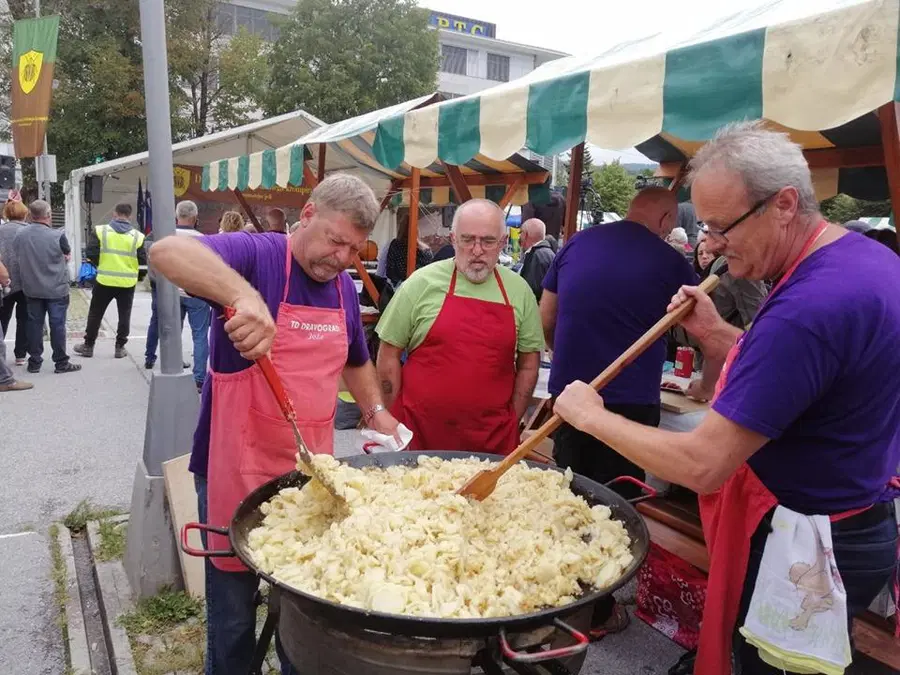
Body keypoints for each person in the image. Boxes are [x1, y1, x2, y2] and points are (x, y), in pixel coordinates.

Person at [553, 122, 900, 675]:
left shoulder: (809, 307)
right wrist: (716, 335)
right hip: (853, 523)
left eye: (720, 226)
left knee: (767, 667)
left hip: (808, 545)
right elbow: (806, 376)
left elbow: (703, 465)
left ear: (784, 204)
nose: (709, 244)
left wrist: (590, 417)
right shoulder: (866, 261)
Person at [149, 173, 400, 675]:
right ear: (307, 214)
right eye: (335, 240)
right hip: (235, 471)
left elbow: (355, 360)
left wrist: (375, 411)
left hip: (309, 480)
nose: (342, 258)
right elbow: (167, 253)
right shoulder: (261, 254)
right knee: (235, 615)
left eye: (354, 248)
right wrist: (244, 298)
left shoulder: (343, 290)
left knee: (304, 614)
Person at [540, 187, 696, 638]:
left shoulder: (576, 243)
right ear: (667, 219)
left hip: (569, 397)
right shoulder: (671, 262)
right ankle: (599, 610)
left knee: (568, 496)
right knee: (617, 509)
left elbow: (546, 316)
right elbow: (695, 328)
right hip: (628, 406)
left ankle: (555, 594)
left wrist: (569, 360)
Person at [376, 199, 544, 455]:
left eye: (488, 241)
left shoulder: (519, 292)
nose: (476, 250)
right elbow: (388, 353)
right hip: (418, 434)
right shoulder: (421, 283)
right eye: (467, 240)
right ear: (453, 240)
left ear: (501, 243)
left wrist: (513, 418)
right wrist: (393, 416)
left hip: (492, 440)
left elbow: (529, 363)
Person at [144, 201, 211, 390]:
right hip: (196, 293)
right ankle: (199, 378)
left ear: (176, 215)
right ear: (195, 217)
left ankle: (173, 367)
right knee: (200, 335)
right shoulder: (203, 239)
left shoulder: (167, 237)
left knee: (174, 332)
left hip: (172, 292)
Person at [14, 200, 81, 374]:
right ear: (49, 215)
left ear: (30, 214)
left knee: (34, 325)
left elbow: (17, 254)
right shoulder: (58, 235)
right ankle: (61, 362)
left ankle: (34, 362)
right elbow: (67, 254)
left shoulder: (20, 234)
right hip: (56, 289)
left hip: (31, 288)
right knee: (57, 325)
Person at [74, 203, 146, 359]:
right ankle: (119, 348)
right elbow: (142, 261)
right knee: (124, 315)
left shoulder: (101, 231)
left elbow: (91, 252)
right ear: (130, 216)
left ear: (114, 214)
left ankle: (88, 346)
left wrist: (102, 265)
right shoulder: (138, 236)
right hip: (127, 283)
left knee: (95, 314)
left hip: (104, 280)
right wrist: (136, 276)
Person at [0, 200, 30, 365]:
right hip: (25, 281)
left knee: (3, 318)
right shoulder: (28, 231)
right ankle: (20, 355)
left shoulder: (0, 230)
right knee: (24, 318)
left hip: (4, 281)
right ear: (25, 214)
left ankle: (0, 354)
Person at [0, 255, 33, 391]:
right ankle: (5, 379)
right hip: (22, 283)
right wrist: (5, 280)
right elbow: (3, 274)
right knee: (23, 319)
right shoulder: (24, 234)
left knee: (4, 320)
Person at [384, 209, 434, 286]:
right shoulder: (426, 250)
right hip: (421, 288)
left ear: (400, 227)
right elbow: (430, 272)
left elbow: (390, 271)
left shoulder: (395, 245)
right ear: (417, 229)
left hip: (400, 288)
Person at [518, 218, 555, 302]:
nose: (520, 236)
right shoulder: (546, 253)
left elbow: (531, 291)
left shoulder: (537, 256)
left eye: (520, 233)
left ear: (526, 234)